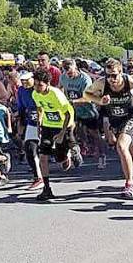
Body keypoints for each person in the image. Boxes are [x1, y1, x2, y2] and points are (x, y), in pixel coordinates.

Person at [84, 59, 133, 198]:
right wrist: (99, 100)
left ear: (121, 73)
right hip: (115, 120)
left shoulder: (129, 81)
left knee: (121, 146)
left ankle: (130, 185)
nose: (111, 79)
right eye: (108, 75)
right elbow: (86, 94)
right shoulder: (102, 83)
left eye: (114, 75)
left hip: (131, 117)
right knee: (130, 150)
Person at [32, 69, 78, 200]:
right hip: (48, 126)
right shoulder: (35, 93)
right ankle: (47, 188)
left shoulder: (56, 94)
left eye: (40, 85)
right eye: (35, 85)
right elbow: (39, 108)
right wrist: (39, 124)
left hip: (63, 124)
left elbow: (68, 114)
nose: (37, 88)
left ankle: (69, 152)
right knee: (43, 156)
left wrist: (63, 133)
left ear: (47, 83)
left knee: (59, 158)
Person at [59, 59, 91, 168]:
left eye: (71, 72)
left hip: (86, 109)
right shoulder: (63, 77)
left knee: (93, 133)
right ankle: (71, 153)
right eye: (67, 72)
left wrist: (74, 101)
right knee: (69, 129)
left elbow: (88, 97)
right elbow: (60, 89)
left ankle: (101, 153)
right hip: (71, 109)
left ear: (75, 67)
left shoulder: (85, 79)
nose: (69, 74)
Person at [16, 71, 43, 190]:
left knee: (53, 150)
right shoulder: (21, 91)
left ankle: (69, 154)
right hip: (31, 122)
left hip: (47, 123)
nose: (25, 83)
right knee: (30, 148)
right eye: (22, 81)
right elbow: (21, 108)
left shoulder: (40, 89)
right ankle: (38, 177)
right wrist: (21, 123)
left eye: (27, 81)